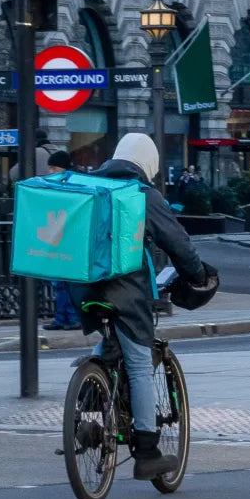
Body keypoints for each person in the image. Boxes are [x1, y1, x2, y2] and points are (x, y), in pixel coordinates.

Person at [67, 133, 209, 481]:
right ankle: (147, 450)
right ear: (148, 165)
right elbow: (178, 242)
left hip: (82, 287)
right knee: (140, 362)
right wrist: (199, 274)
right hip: (126, 293)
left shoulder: (88, 187)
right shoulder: (143, 194)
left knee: (110, 338)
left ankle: (89, 389)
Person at [42, 150, 81, 332]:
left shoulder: (69, 184)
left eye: (53, 167)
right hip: (62, 237)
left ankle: (69, 317)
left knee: (65, 282)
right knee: (60, 283)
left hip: (66, 238)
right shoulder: (68, 182)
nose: (50, 171)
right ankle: (64, 317)